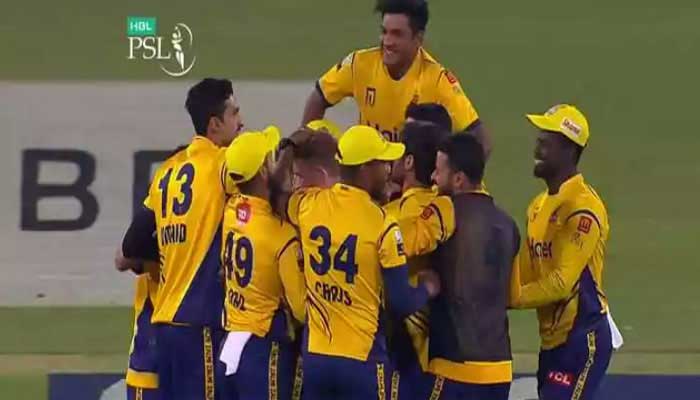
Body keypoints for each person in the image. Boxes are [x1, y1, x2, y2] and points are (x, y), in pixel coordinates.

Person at [275, 125, 441, 399]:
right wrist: (427, 288)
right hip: (362, 360)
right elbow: (400, 302)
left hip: (316, 357)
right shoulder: (382, 224)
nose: (388, 169)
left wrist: (288, 149)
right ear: (365, 169)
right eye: (382, 163)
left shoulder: (310, 204)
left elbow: (278, 195)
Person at [120, 78, 243, 400]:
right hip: (199, 321)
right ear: (215, 124)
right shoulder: (223, 165)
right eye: (234, 114)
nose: (241, 122)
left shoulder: (168, 171)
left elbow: (131, 244)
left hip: (164, 323)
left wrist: (169, 253)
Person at [510, 104, 612, 400]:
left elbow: (561, 283)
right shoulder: (537, 207)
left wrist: (512, 298)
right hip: (552, 342)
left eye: (546, 141)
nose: (537, 146)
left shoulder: (583, 208)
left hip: (583, 338)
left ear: (568, 150)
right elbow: (525, 275)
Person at [301, 0, 490, 155]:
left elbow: (480, 137)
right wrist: (304, 149)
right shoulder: (360, 64)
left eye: (397, 34)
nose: (387, 42)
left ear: (418, 38)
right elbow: (319, 97)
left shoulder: (437, 80)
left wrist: (457, 179)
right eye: (384, 32)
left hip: (411, 183)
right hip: (371, 177)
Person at [218, 127, 306, 400]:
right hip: (262, 349)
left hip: (229, 343)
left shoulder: (230, 211)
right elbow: (301, 309)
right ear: (264, 171)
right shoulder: (281, 235)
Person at [383, 121, 450, 399]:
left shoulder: (391, 215)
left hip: (398, 346)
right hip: (440, 350)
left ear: (409, 162)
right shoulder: (448, 207)